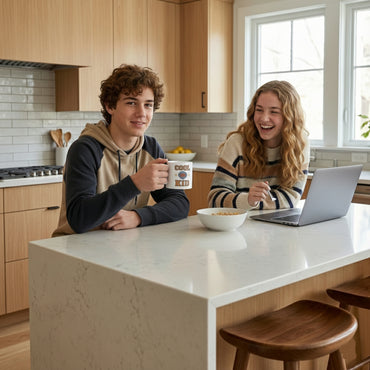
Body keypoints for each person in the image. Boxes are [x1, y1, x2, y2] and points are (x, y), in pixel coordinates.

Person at [53, 64, 189, 236]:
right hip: (75, 249)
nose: (142, 113)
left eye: (148, 105)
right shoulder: (85, 149)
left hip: (122, 246)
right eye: (131, 103)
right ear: (110, 106)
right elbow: (80, 219)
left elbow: (180, 203)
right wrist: (135, 183)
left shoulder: (151, 148)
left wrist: (138, 217)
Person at [208, 80, 310, 210]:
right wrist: (248, 200)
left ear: (290, 116)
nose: (264, 118)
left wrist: (254, 202)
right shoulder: (237, 143)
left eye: (274, 112)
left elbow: (291, 198)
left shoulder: (300, 143)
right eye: (259, 110)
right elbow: (214, 199)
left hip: (275, 225)